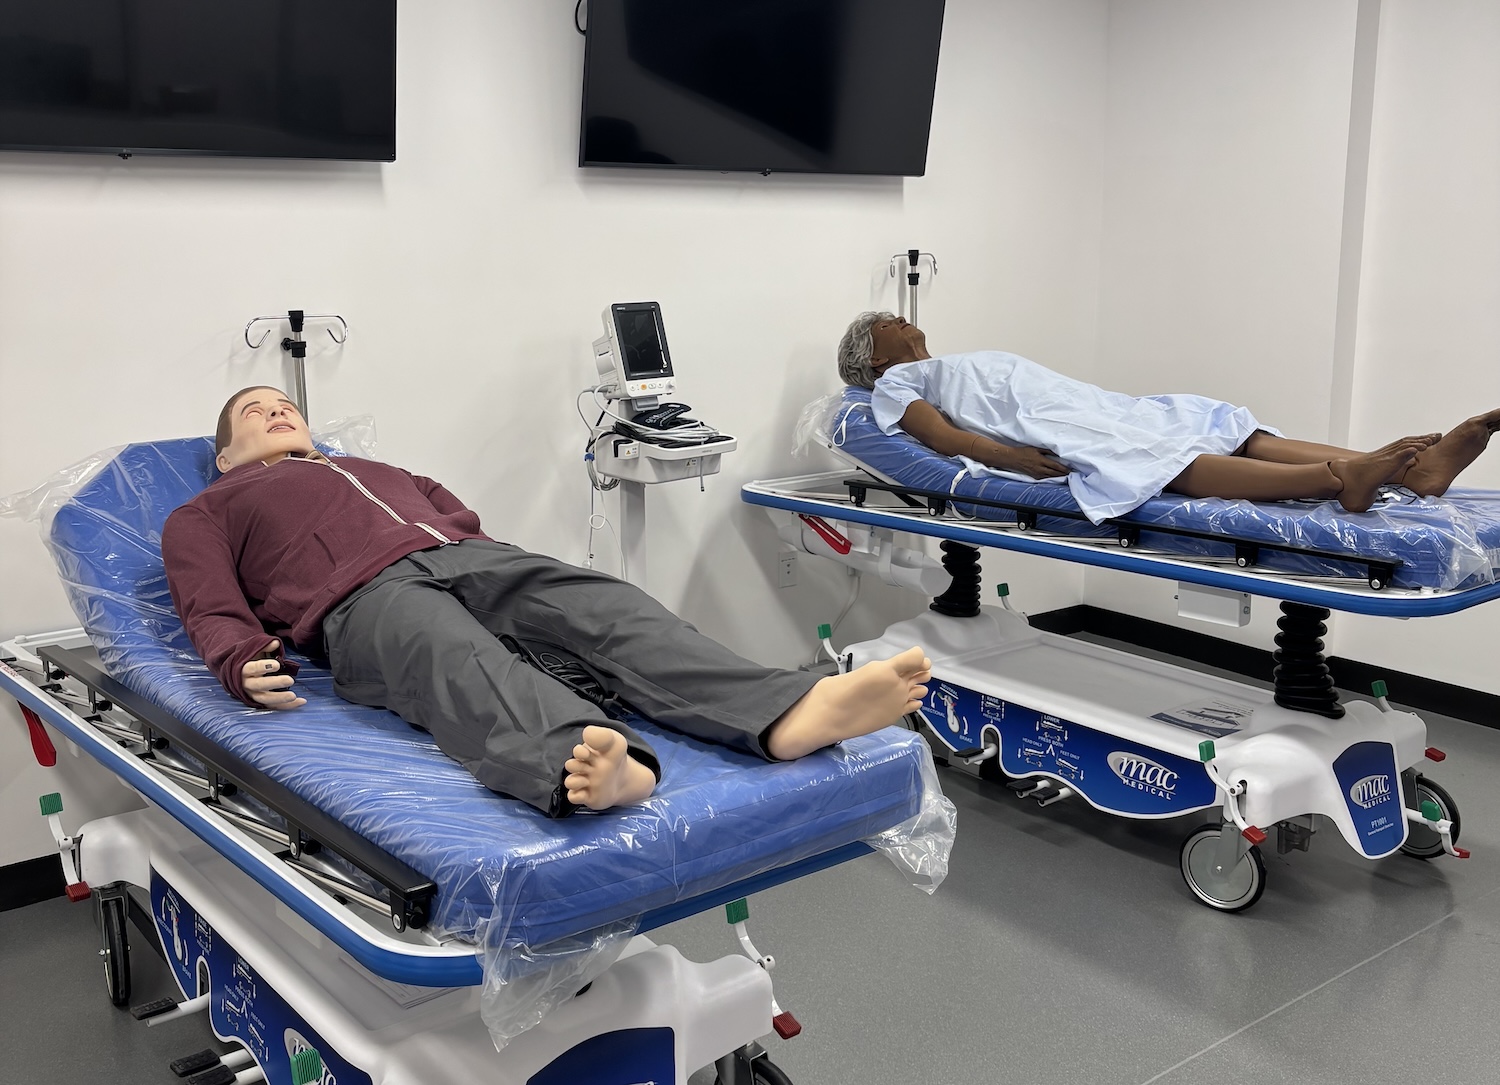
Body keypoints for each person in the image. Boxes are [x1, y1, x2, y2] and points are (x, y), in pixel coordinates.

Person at [161, 386, 930, 818]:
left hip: (470, 557)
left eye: (283, 404)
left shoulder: (377, 467)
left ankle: (788, 711)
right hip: (361, 597)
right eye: (253, 412)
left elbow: (456, 512)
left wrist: (498, 579)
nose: (276, 410)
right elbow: (207, 601)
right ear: (225, 455)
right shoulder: (208, 509)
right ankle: (584, 758)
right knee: (451, 655)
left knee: (606, 606)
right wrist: (237, 659)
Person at [836, 311, 1500, 522]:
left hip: (1082, 400)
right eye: (884, 325)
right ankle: (1340, 478)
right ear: (872, 361)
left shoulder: (941, 361)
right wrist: (1010, 460)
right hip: (1049, 426)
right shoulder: (895, 386)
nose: (898, 319)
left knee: (1206, 418)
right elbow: (942, 437)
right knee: (1151, 456)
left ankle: (1402, 472)